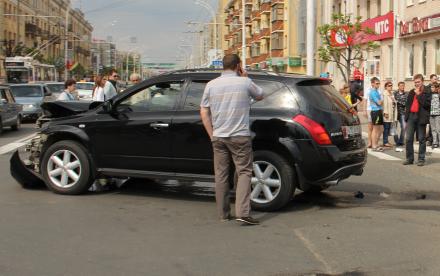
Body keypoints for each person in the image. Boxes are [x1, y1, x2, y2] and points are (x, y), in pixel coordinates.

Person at [200, 54, 264, 225]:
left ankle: (223, 214)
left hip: (219, 137)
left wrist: (211, 134)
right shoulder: (244, 82)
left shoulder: (211, 85)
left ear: (223, 66)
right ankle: (242, 212)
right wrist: (246, 77)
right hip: (240, 136)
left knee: (221, 174)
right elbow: (260, 95)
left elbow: (204, 111)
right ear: (238, 66)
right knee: (243, 172)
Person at [403, 74, 432, 166]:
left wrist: (419, 94)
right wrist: (406, 117)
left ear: (422, 81)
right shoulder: (412, 91)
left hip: (421, 117)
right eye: (415, 82)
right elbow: (408, 105)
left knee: (421, 139)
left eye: (418, 82)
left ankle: (421, 159)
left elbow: (427, 104)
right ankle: (409, 158)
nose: (417, 84)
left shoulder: (427, 91)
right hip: (411, 116)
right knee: (408, 139)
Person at [369, 77, 384, 151]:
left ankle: (376, 143)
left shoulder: (377, 91)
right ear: (372, 84)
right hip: (375, 111)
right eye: (376, 83)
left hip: (379, 111)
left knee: (381, 129)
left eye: (379, 83)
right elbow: (379, 102)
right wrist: (382, 99)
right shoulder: (373, 92)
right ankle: (374, 145)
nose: (378, 85)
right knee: (375, 129)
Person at [382, 81, 398, 148]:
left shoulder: (392, 94)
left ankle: (386, 141)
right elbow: (384, 104)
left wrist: (394, 102)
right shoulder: (384, 94)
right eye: (389, 85)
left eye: (391, 85)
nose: (390, 86)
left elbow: (394, 102)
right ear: (386, 87)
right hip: (387, 113)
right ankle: (385, 142)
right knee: (386, 128)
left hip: (392, 113)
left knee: (388, 128)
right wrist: (385, 112)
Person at [393, 82, 408, 151]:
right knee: (394, 127)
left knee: (404, 126)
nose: (402, 87)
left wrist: (397, 101)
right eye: (401, 86)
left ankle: (401, 141)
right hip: (395, 113)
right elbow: (392, 101)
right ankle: (397, 141)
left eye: (403, 86)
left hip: (402, 113)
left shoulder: (406, 94)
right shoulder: (395, 93)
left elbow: (406, 103)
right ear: (398, 86)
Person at [430, 83, 440, 148]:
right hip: (431, 114)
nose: (431, 88)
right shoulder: (430, 95)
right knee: (433, 129)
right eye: (431, 87)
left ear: (436, 88)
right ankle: (435, 142)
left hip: (437, 114)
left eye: (433, 87)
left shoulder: (439, 95)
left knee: (438, 129)